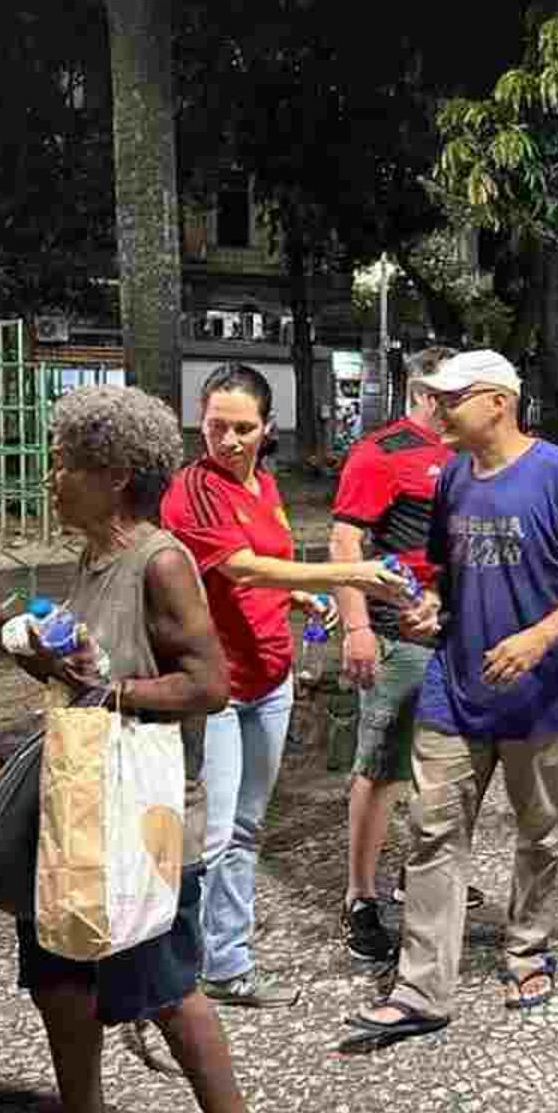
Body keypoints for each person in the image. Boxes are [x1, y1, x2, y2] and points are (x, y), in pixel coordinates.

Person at [0, 385, 281, 1113]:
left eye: (68, 465)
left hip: (143, 807)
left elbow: (209, 684)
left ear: (118, 475)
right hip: (75, 800)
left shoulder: (158, 561)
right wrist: (5, 636)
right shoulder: (90, 559)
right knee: (58, 976)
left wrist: (114, 689)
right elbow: (78, 676)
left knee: (161, 979)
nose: (52, 478)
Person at [340, 352, 558, 1048]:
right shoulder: (455, 477)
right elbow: (445, 572)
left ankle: (527, 952)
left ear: (498, 401)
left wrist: (543, 635)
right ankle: (420, 989)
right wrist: (429, 609)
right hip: (455, 688)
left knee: (542, 831)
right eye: (435, 397)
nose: (438, 409)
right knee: (432, 832)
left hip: (543, 696)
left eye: (452, 397)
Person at [160, 364, 418, 1002]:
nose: (228, 440)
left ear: (266, 427)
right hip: (215, 683)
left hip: (270, 676)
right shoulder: (192, 490)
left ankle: (226, 964)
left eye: (243, 428)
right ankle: (172, 976)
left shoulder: (264, 484)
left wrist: (303, 599)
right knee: (212, 834)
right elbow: (243, 570)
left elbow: (264, 565)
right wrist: (345, 577)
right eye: (216, 425)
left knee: (247, 825)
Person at [328, 347, 479, 966]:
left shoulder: (469, 452)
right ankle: (358, 897)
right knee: (384, 765)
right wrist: (357, 625)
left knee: (444, 766)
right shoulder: (381, 451)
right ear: (424, 391)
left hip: (456, 632)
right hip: (397, 632)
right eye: (453, 391)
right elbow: (345, 538)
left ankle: (416, 876)